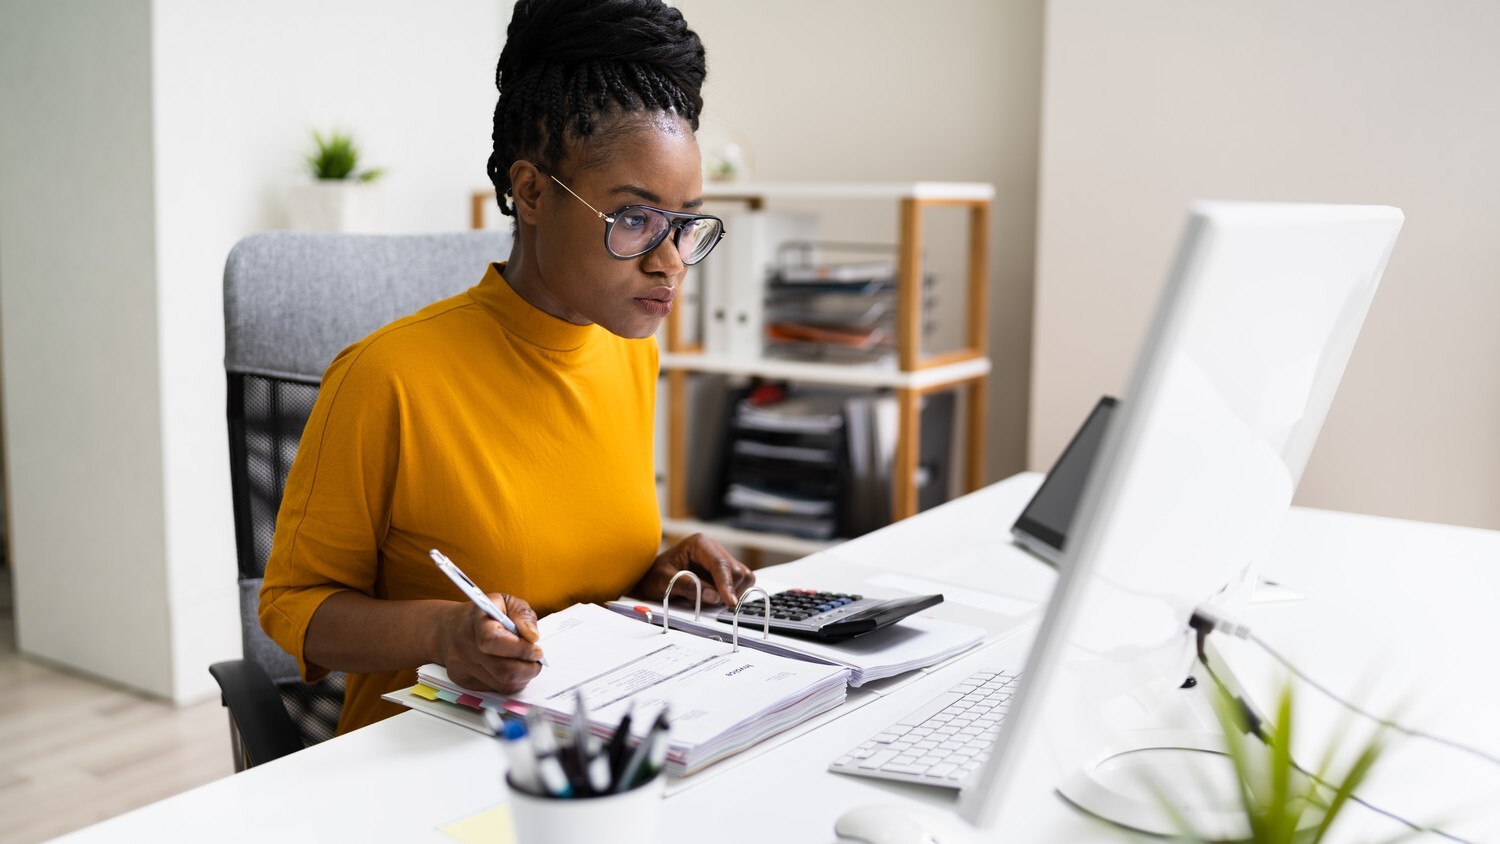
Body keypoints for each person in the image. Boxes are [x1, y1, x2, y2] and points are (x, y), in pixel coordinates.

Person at [259, 0, 754, 736]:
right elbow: (291, 609)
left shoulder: (630, 351)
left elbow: (571, 563)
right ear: (531, 192)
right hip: (422, 759)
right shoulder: (385, 376)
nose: (670, 261)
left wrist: (656, 570)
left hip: (589, 741)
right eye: (635, 219)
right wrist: (441, 634)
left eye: (685, 224)